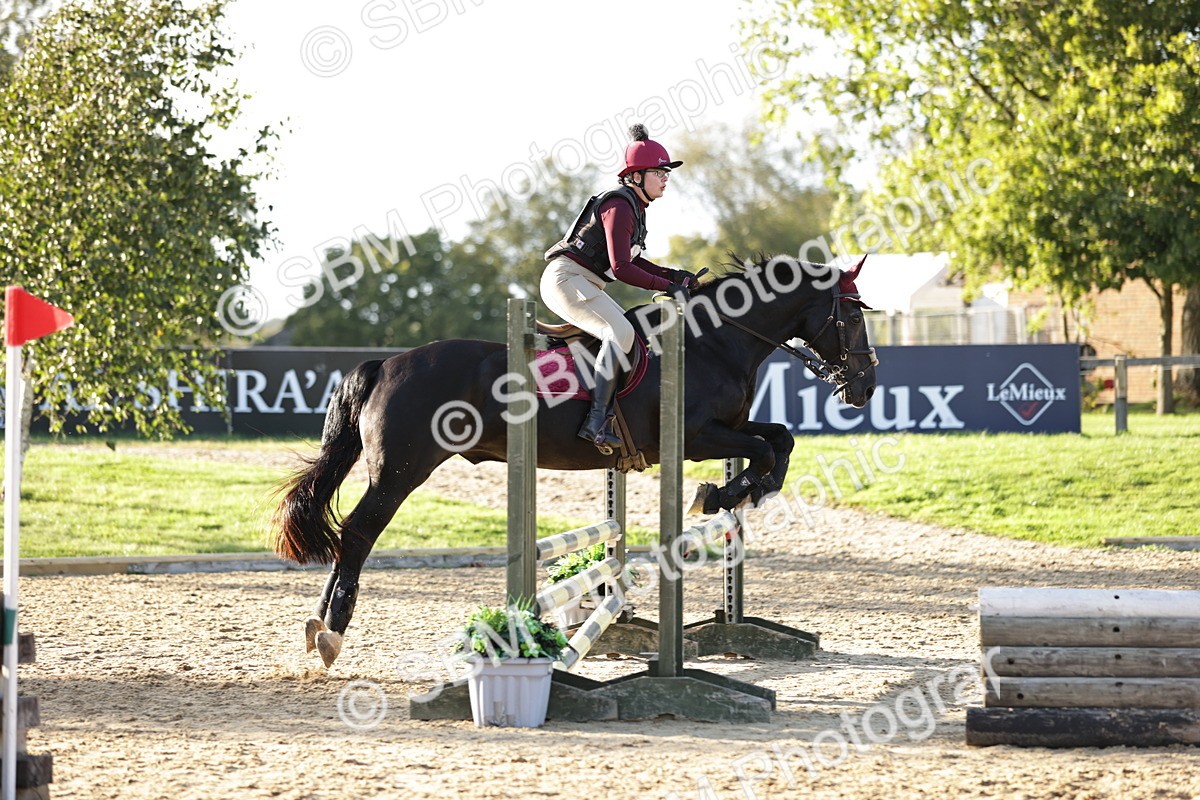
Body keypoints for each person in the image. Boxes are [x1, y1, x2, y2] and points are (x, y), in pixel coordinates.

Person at [541, 123, 700, 452]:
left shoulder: (634, 208)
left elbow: (635, 263)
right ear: (637, 176)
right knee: (622, 333)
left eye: (666, 173)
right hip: (566, 278)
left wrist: (675, 277)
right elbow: (622, 268)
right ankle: (596, 420)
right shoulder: (621, 206)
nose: (666, 178)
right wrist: (668, 287)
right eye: (660, 172)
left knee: (631, 334)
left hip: (584, 282)